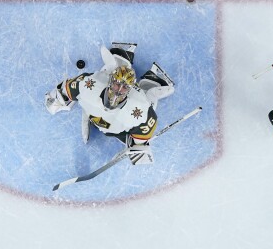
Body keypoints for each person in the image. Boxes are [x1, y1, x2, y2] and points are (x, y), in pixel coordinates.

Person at [44, 43, 175, 164]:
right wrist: (56, 99)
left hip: (118, 130)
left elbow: (149, 124)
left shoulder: (140, 109)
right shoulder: (88, 84)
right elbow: (65, 89)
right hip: (99, 117)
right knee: (107, 71)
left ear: (129, 90)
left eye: (124, 88)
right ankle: (121, 58)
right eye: (117, 84)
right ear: (111, 81)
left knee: (148, 97)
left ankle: (152, 82)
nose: (119, 90)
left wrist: (139, 147)